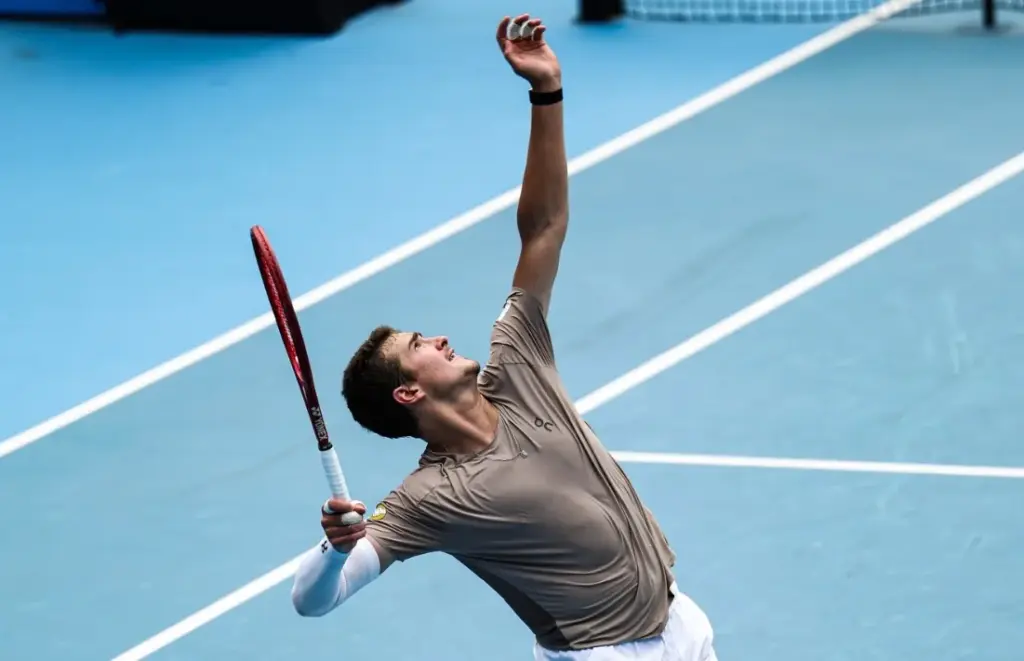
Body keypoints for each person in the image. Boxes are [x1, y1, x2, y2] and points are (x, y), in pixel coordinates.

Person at [290, 13, 718, 661]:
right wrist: (334, 548)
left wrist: (546, 91)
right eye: (417, 345)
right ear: (407, 392)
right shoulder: (429, 497)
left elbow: (543, 228)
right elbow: (313, 600)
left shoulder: (516, 365)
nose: (437, 337)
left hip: (678, 623)